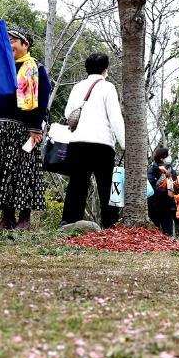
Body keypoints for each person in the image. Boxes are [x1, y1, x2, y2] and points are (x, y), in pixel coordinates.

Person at [0, 28, 50, 230]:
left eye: (12, 40)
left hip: (25, 129)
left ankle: (24, 218)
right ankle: (7, 217)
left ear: (25, 44)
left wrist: (36, 127)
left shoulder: (36, 68)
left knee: (24, 171)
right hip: (0, 127)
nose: (8, 44)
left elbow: (43, 98)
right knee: (2, 171)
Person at [61, 52, 125, 229]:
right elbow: (115, 119)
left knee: (77, 184)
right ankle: (110, 224)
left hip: (78, 142)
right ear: (105, 70)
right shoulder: (108, 87)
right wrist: (125, 143)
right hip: (102, 144)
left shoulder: (77, 87)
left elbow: (68, 114)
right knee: (106, 187)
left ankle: (69, 222)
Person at [147, 146, 177, 236]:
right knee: (154, 234)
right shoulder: (153, 168)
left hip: (168, 206)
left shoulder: (171, 170)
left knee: (168, 233)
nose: (170, 157)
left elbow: (176, 186)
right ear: (161, 157)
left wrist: (177, 188)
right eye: (168, 155)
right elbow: (150, 186)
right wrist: (165, 192)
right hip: (155, 206)